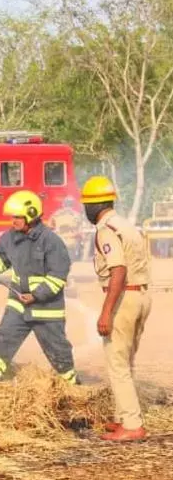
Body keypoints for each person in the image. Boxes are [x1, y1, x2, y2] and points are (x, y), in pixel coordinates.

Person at [0, 190, 78, 386]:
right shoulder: (9, 238)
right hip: (18, 305)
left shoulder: (52, 242)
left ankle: (72, 386)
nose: (13, 221)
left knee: (57, 350)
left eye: (17, 217)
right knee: (3, 339)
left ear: (31, 214)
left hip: (46, 309)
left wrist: (36, 296)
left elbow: (58, 276)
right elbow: (2, 260)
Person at [82, 176, 151, 441]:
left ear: (94, 206)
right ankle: (124, 416)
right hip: (141, 295)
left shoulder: (106, 230)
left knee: (117, 363)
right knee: (127, 361)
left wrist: (106, 312)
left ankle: (132, 425)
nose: (85, 211)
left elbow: (118, 270)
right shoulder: (126, 224)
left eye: (86, 205)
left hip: (125, 298)